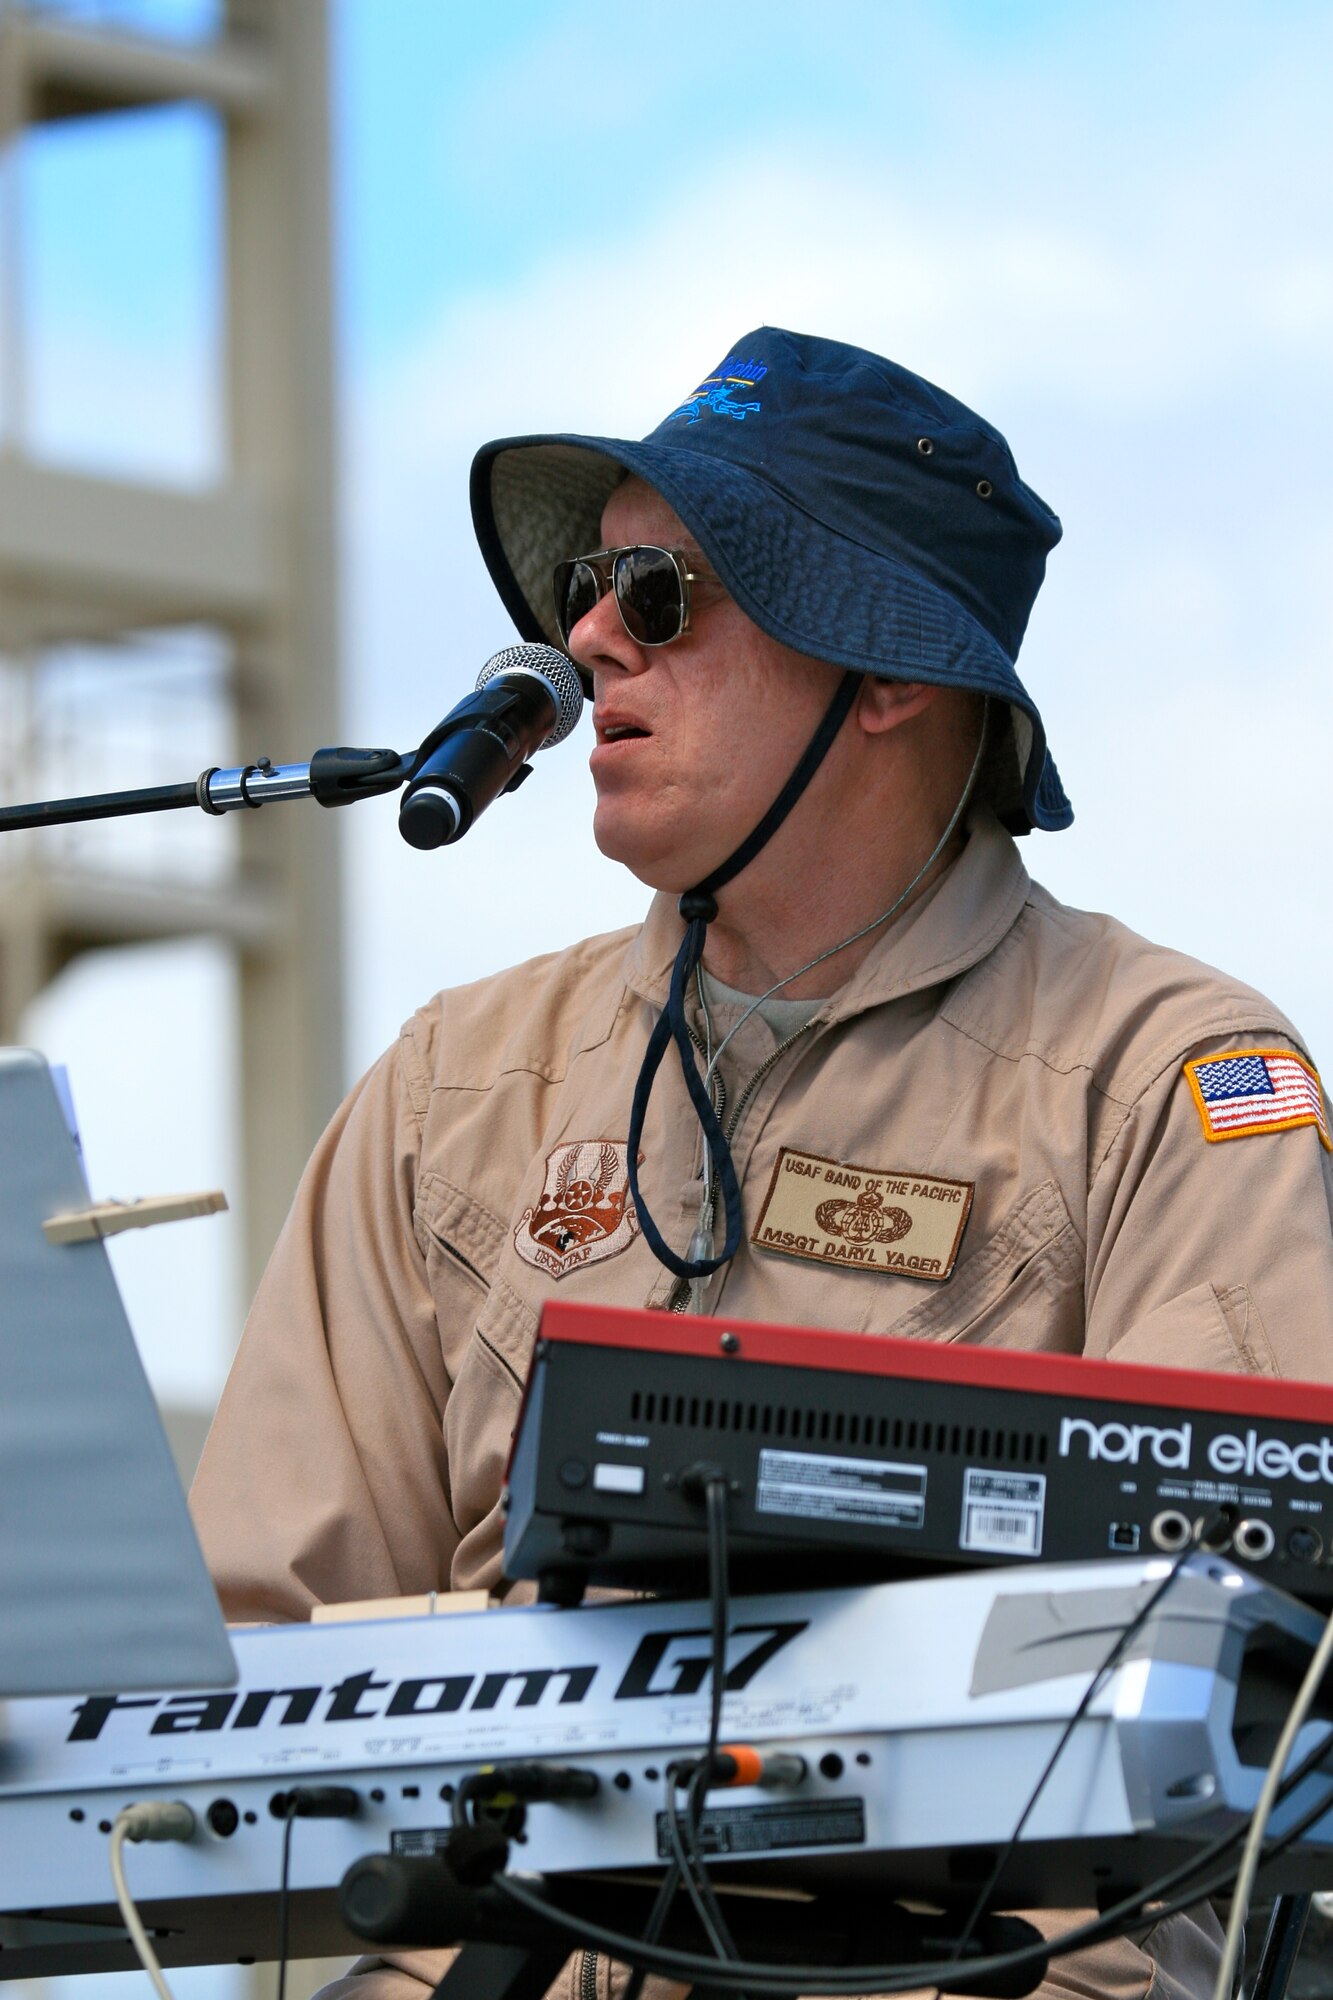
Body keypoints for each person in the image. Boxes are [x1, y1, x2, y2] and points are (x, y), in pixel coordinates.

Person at [192, 329, 1333, 2000]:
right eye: (587, 583)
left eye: (661, 596)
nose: (584, 638)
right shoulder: (454, 1083)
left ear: (884, 677)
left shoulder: (1168, 1076)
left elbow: (1243, 1704)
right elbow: (237, 1693)